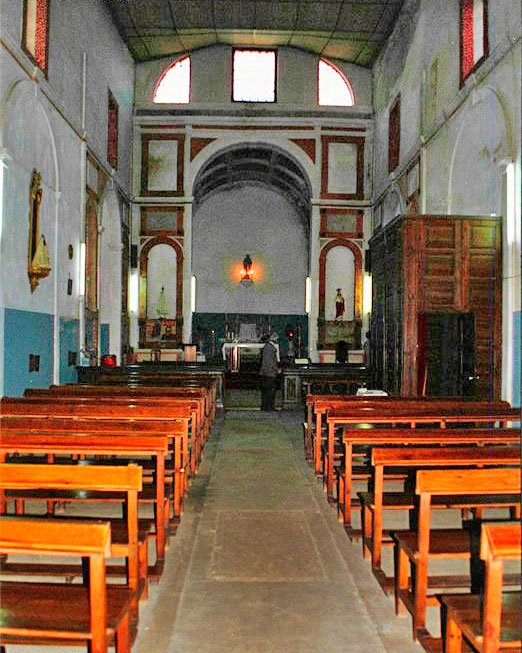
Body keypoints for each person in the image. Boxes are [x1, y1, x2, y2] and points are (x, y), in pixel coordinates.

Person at [259, 332, 279, 411]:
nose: (277, 340)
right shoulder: (269, 348)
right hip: (269, 372)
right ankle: (268, 407)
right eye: (276, 339)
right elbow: (270, 362)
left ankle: (265, 406)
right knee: (270, 391)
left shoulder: (268, 347)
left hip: (266, 372)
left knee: (266, 390)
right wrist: (276, 369)